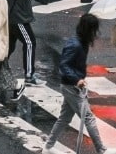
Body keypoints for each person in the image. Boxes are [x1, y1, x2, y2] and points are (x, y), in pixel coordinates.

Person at [44, 14, 103, 154]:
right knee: (88, 117)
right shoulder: (75, 45)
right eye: (94, 29)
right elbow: (64, 65)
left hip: (71, 85)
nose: (96, 33)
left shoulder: (81, 42)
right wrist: (77, 80)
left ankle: (48, 147)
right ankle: (101, 150)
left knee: (64, 118)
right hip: (71, 86)